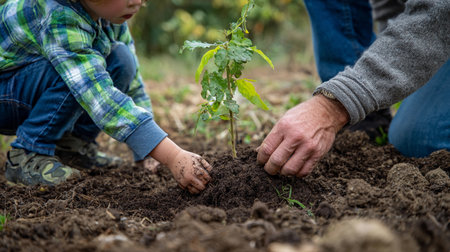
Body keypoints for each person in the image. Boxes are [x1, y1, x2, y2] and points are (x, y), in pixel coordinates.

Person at [0, 0, 212, 194]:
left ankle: (72, 148)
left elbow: (134, 85)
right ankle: (27, 154)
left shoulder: (110, 18)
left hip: (26, 90)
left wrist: (146, 150)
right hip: (5, 97)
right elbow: (96, 93)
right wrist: (173, 156)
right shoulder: (59, 15)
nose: (137, 2)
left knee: (121, 59)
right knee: (73, 73)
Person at [257, 0, 449, 177]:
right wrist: (386, 77)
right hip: (426, 26)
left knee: (420, 141)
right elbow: (391, 5)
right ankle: (366, 123)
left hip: (441, 19)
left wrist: (331, 107)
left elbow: (440, 13)